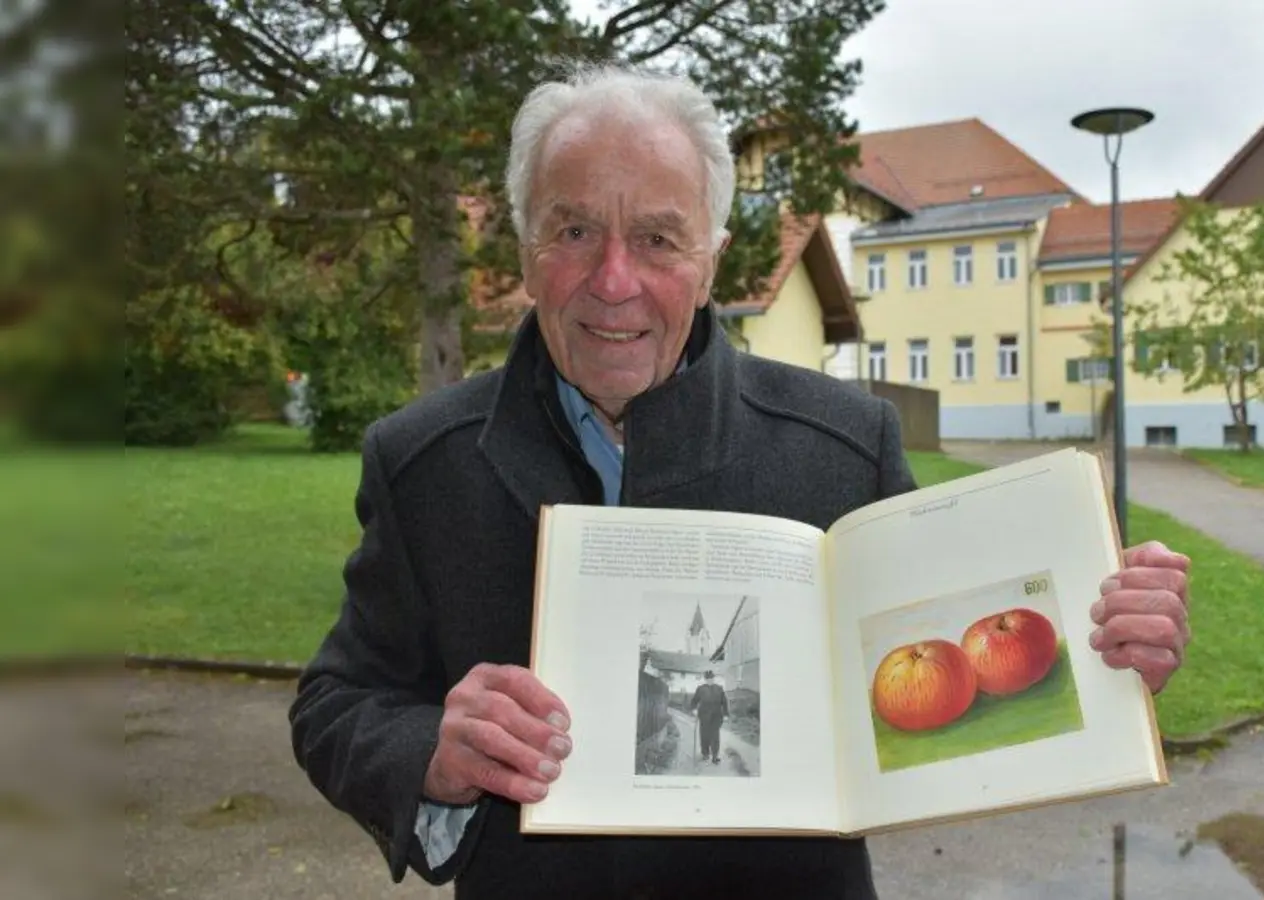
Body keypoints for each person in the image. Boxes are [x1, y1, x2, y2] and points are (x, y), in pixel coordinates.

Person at [287, 63, 1193, 900]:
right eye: (572, 231)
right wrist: (431, 756)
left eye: (656, 238)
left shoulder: (845, 444)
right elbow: (336, 703)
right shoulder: (422, 461)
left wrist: (1105, 638)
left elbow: (945, 653)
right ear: (525, 251)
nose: (614, 281)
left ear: (712, 259)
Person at [688, 669, 729, 764]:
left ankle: (715, 756)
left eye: (711, 678)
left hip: (716, 716)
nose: (710, 680)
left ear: (714, 679)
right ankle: (705, 753)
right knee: (704, 736)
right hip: (704, 716)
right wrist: (694, 709)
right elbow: (694, 701)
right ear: (705, 679)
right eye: (708, 679)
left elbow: (724, 702)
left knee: (715, 737)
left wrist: (726, 714)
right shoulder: (700, 689)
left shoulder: (719, 688)